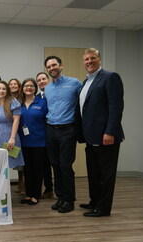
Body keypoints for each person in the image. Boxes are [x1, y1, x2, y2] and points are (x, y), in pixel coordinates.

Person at [77, 48, 124, 217]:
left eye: (93, 58)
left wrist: (110, 131)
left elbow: (115, 107)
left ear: (99, 60)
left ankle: (103, 208)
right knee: (94, 173)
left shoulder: (110, 77)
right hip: (91, 137)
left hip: (106, 137)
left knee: (105, 175)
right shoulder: (86, 82)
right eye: (86, 59)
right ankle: (94, 201)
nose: (89, 61)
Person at [44, 56, 82, 213]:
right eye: (49, 66)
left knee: (66, 165)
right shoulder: (47, 88)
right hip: (51, 129)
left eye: (54, 65)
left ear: (61, 65)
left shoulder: (75, 83)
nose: (52, 68)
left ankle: (69, 200)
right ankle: (60, 197)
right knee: (55, 165)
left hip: (67, 129)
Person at [19, 78, 48, 206]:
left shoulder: (42, 102)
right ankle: (29, 194)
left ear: (35, 88)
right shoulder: (18, 103)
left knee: (37, 169)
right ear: (22, 89)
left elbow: (48, 120)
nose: (29, 88)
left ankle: (36, 195)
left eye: (31, 86)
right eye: (26, 86)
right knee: (27, 170)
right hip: (24, 142)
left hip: (39, 142)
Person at [36, 72, 54, 199]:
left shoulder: (54, 93)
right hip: (40, 134)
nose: (41, 81)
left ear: (48, 80)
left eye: (43, 79)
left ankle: (61, 191)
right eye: (39, 80)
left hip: (54, 131)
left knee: (57, 163)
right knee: (44, 163)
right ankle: (48, 189)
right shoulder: (36, 97)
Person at [8, 78, 25, 194]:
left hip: (24, 131)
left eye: (15, 84)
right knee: (17, 159)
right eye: (11, 84)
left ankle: (25, 184)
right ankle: (20, 183)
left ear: (19, 86)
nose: (13, 86)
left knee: (23, 159)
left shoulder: (23, 98)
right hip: (13, 131)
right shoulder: (8, 100)